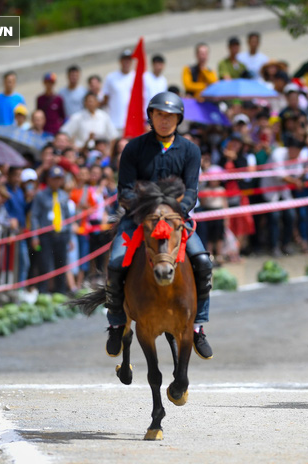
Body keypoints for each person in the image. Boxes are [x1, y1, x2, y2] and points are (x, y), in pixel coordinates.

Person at [105, 91, 214, 360]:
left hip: (176, 220)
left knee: (203, 261)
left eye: (171, 116)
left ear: (179, 119)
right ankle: (117, 321)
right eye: (160, 115)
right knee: (116, 262)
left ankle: (198, 325)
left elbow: (191, 192)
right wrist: (150, 210)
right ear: (151, 117)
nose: (165, 121)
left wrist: (172, 211)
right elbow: (125, 191)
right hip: (138, 219)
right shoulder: (133, 148)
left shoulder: (190, 150)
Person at [30, 166, 72, 294]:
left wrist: (69, 238)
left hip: (61, 234)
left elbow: (68, 218)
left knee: (61, 264)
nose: (56, 182)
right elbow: (34, 216)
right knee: (44, 264)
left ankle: (60, 291)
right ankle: (43, 291)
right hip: (46, 235)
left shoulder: (64, 196)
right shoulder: (40, 195)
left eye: (59, 179)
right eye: (54, 179)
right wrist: (35, 236)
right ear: (48, 179)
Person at [102, 49, 135, 136]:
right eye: (125, 60)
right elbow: (105, 98)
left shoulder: (137, 77)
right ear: (120, 61)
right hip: (115, 123)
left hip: (132, 122)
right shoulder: (111, 77)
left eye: (129, 60)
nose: (127, 62)